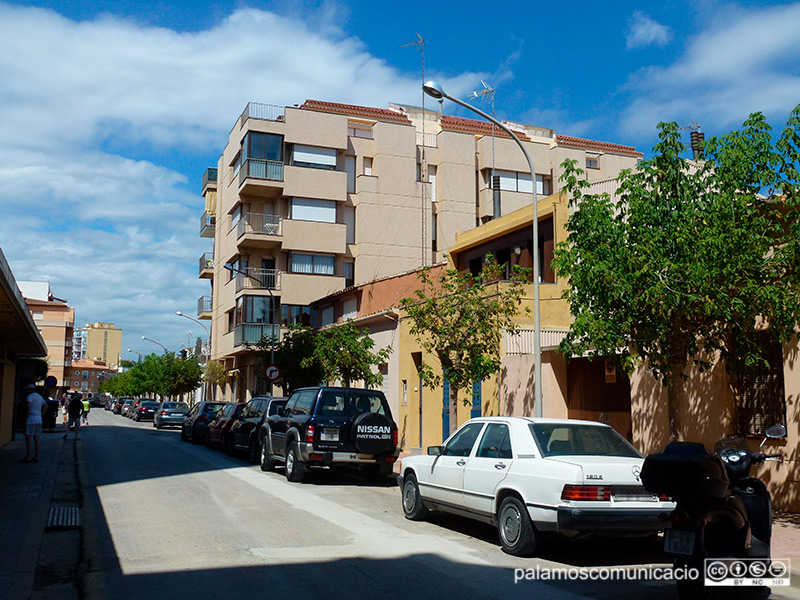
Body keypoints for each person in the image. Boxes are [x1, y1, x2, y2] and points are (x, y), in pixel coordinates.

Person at [21, 383, 46, 463]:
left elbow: (28, 405)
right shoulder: (39, 396)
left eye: (27, 390)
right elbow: (46, 405)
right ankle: (37, 456)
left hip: (31, 419)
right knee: (37, 438)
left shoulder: (30, 396)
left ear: (29, 389)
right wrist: (42, 413)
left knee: (28, 438)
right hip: (39, 419)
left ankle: (29, 456)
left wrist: (27, 413)